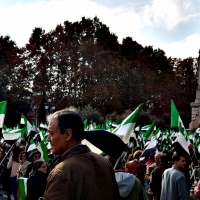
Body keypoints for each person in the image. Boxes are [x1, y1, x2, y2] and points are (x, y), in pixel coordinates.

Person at [44, 107, 120, 200]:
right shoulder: (105, 162)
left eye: (51, 133)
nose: (48, 138)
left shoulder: (62, 171)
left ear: (68, 134)